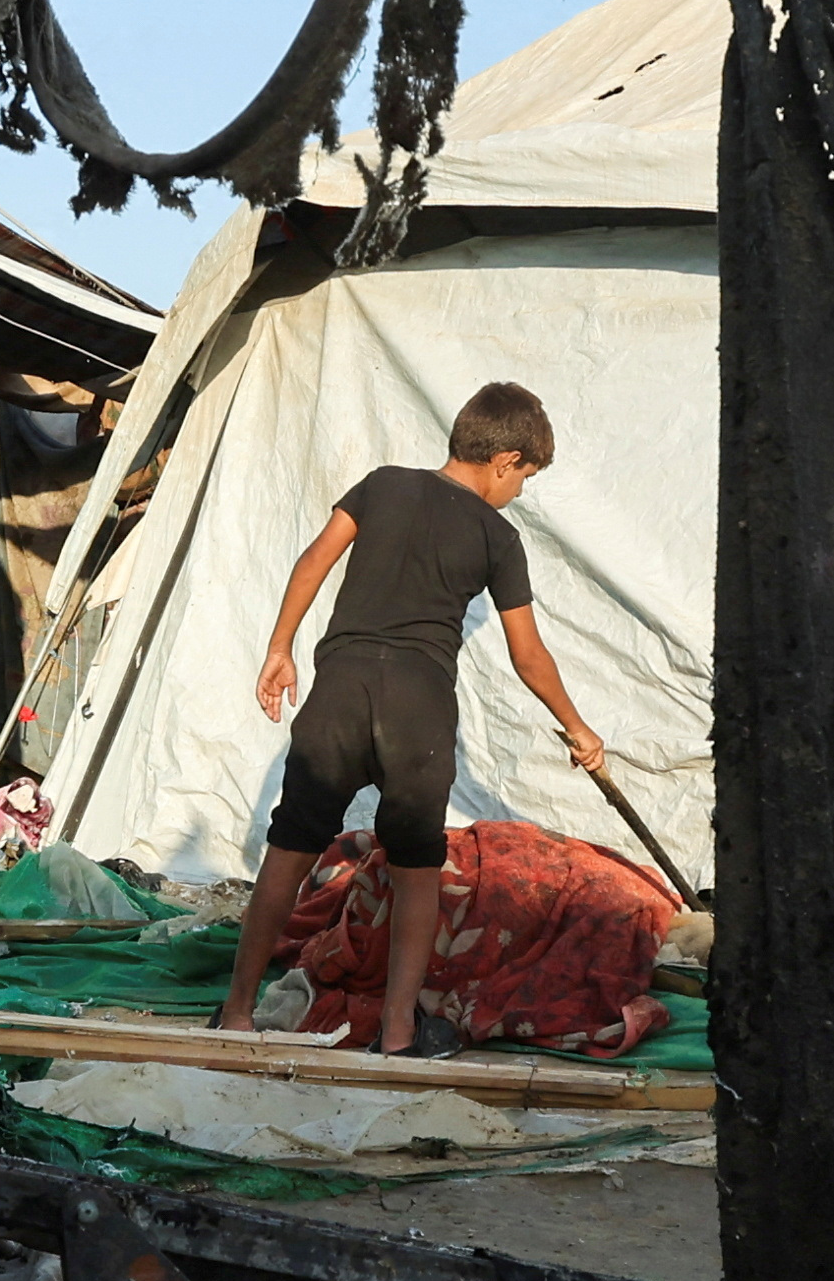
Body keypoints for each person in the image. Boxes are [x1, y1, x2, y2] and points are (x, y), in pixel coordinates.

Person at [208, 381, 608, 1057]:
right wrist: (579, 726)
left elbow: (313, 560)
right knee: (417, 864)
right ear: (506, 459)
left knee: (290, 847)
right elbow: (528, 653)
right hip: (418, 703)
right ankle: (397, 1031)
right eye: (527, 478)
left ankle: (238, 1012)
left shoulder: (382, 484)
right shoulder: (498, 536)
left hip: (340, 685)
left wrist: (279, 649)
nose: (521, 492)